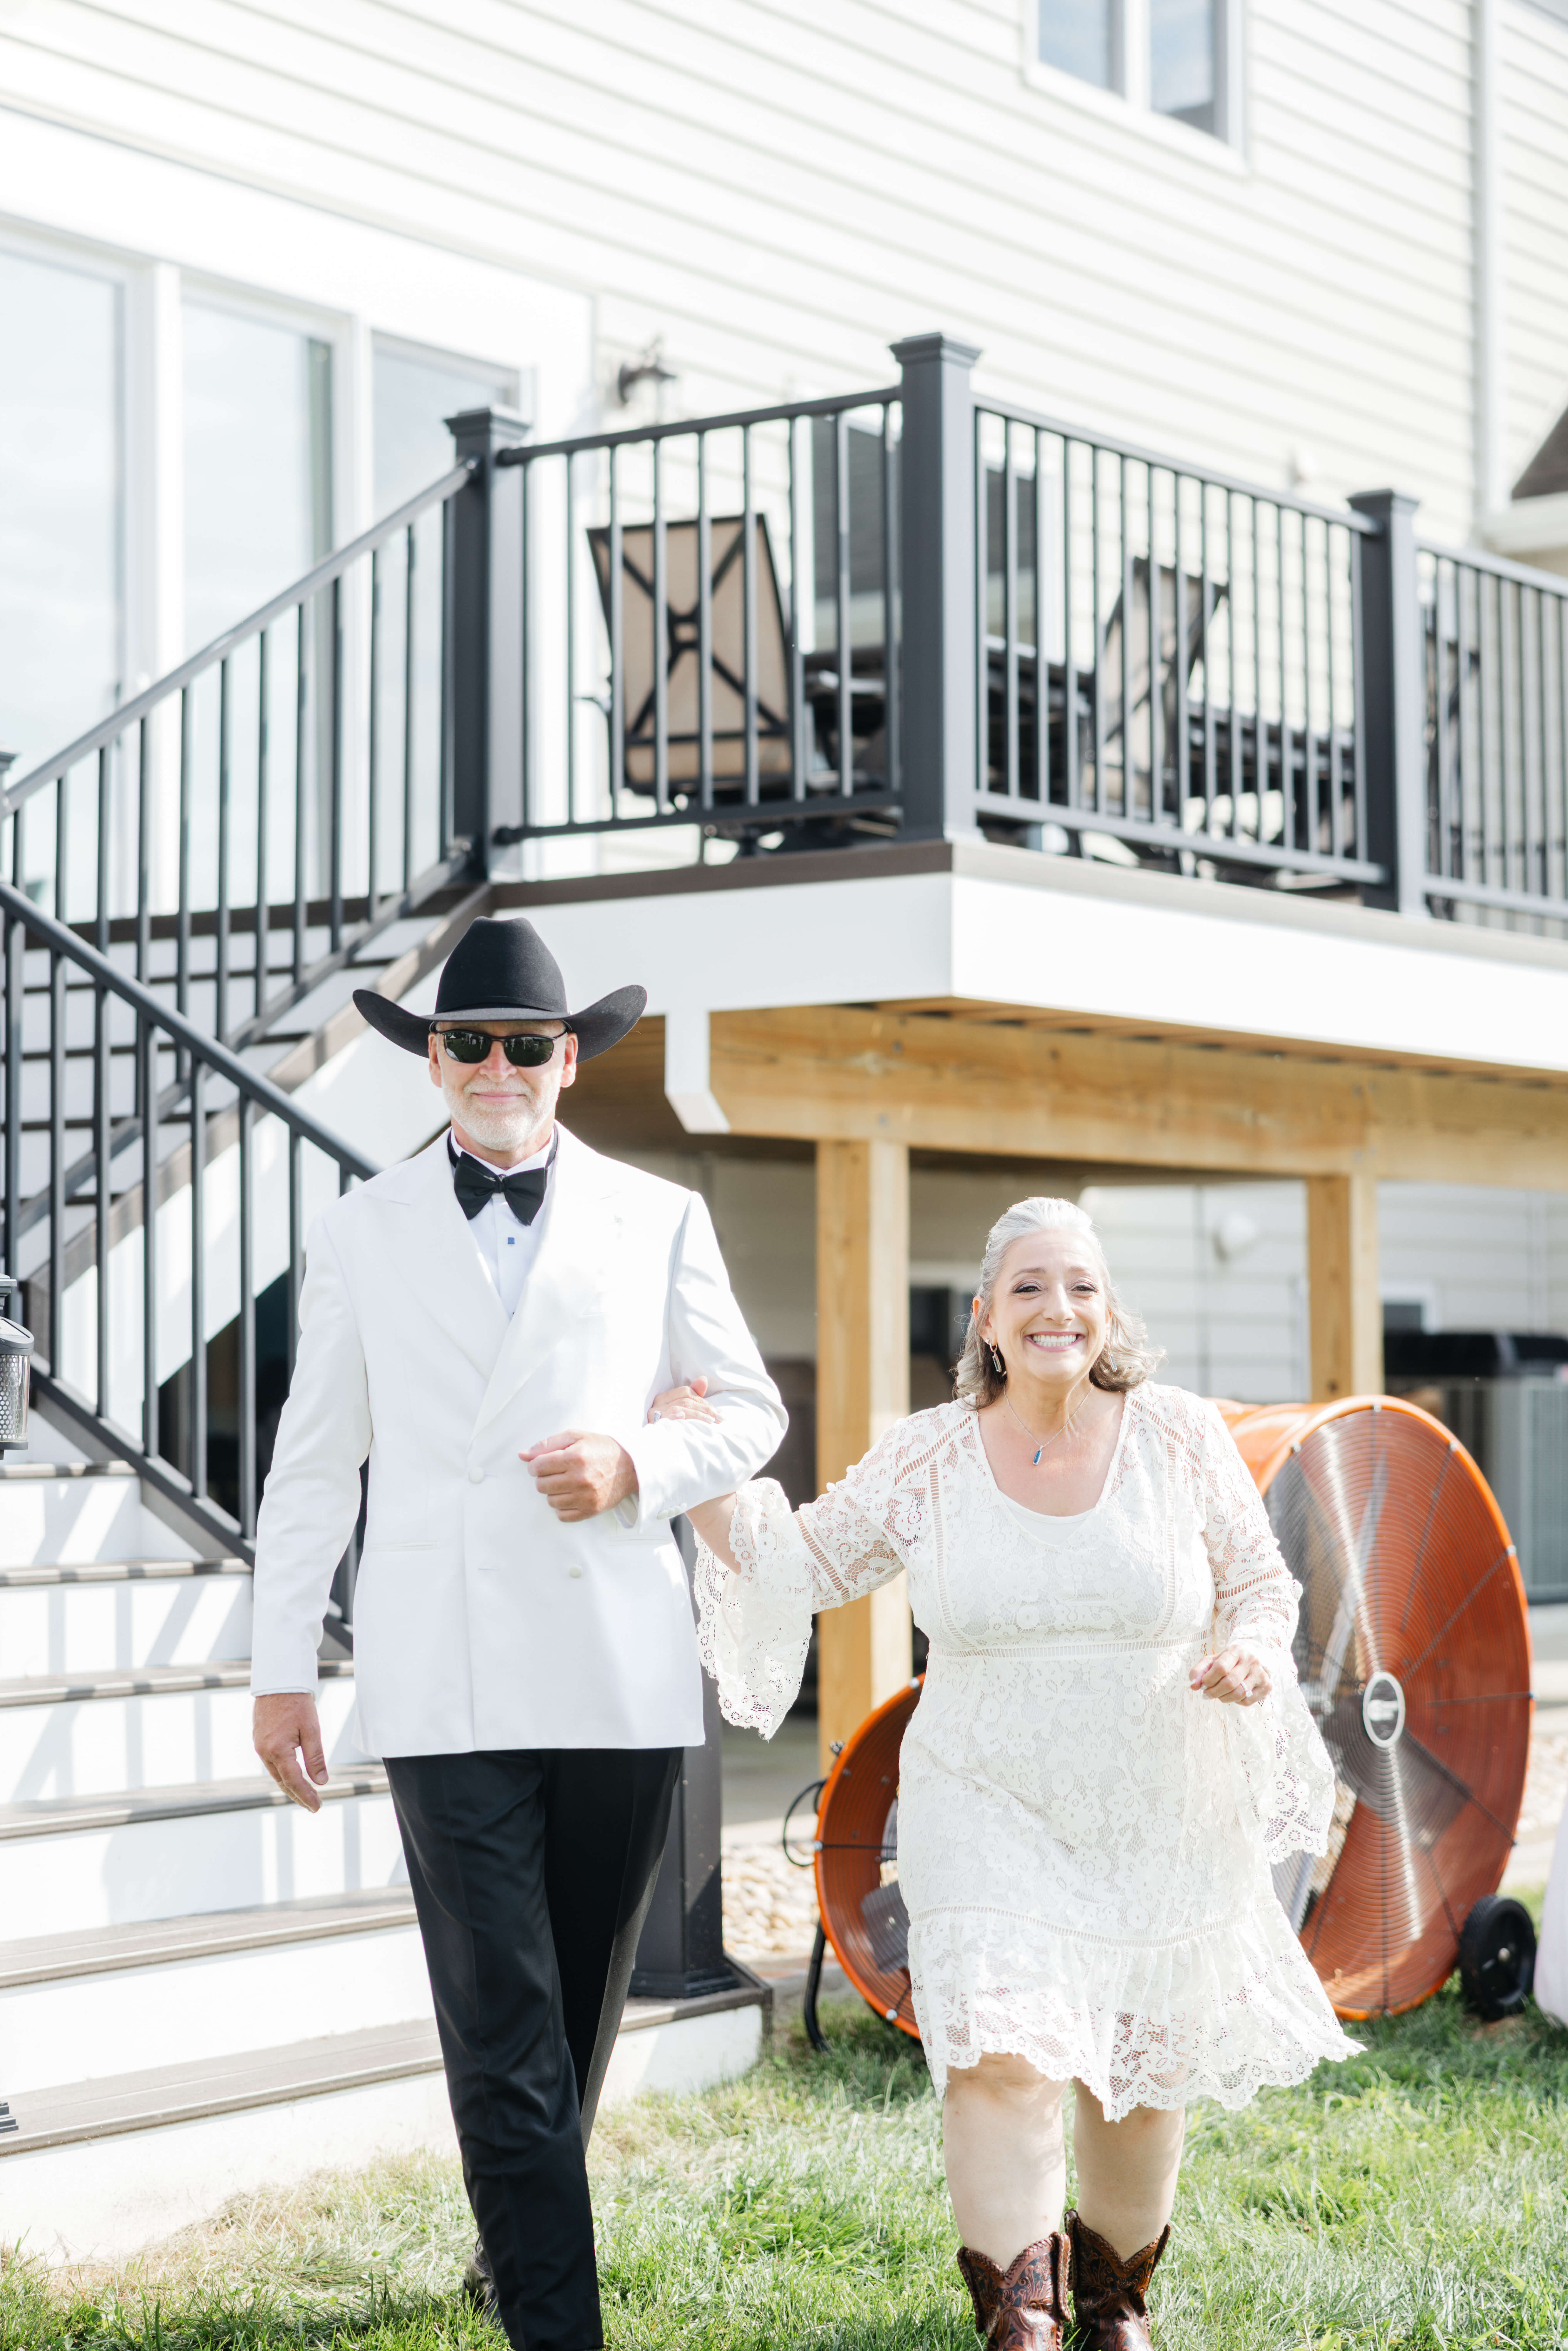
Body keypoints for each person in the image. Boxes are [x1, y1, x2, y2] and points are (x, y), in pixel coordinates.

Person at [682, 1195, 1359, 2351]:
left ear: (1107, 1310)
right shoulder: (926, 1454)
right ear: (986, 1316)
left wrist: (1248, 1653)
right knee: (1002, 2052)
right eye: (1030, 1286)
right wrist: (699, 1470)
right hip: (983, 1792)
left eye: (1082, 1285)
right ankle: (1019, 2321)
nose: (1059, 1306)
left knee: (1138, 2075)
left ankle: (1112, 2304)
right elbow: (800, 1557)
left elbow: (1255, 1584)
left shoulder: (1178, 1433)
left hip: (1154, 1797)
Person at [249, 916, 785, 2351]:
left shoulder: (657, 1214)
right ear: (433, 1063)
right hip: (442, 1675)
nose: (496, 1065)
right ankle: (559, 2324)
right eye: (467, 1041)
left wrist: (636, 1465)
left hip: (616, 1671)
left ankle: (515, 2234)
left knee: (571, 2025)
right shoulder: (363, 1227)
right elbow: (314, 1464)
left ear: (567, 1061)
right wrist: (282, 1668)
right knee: (501, 2022)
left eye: (525, 1044)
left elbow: (747, 1408)